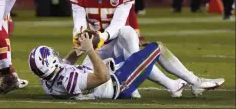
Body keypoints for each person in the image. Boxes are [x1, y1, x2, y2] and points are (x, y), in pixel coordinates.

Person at [71, 0, 194, 99]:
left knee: (129, 39)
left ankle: (134, 84)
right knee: (84, 79)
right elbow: (78, 23)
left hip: (119, 40)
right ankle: (172, 85)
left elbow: (118, 24)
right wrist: (79, 36)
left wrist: (102, 36)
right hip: (98, 47)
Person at [28, 32, 225, 100]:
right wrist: (90, 50)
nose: (56, 56)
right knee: (156, 48)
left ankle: (174, 85)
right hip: (119, 84)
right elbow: (102, 76)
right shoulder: (70, 79)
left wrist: (77, 49)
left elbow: (65, 64)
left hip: (106, 79)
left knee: (129, 49)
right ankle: (195, 81)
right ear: (48, 63)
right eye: (52, 56)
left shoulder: (47, 78)